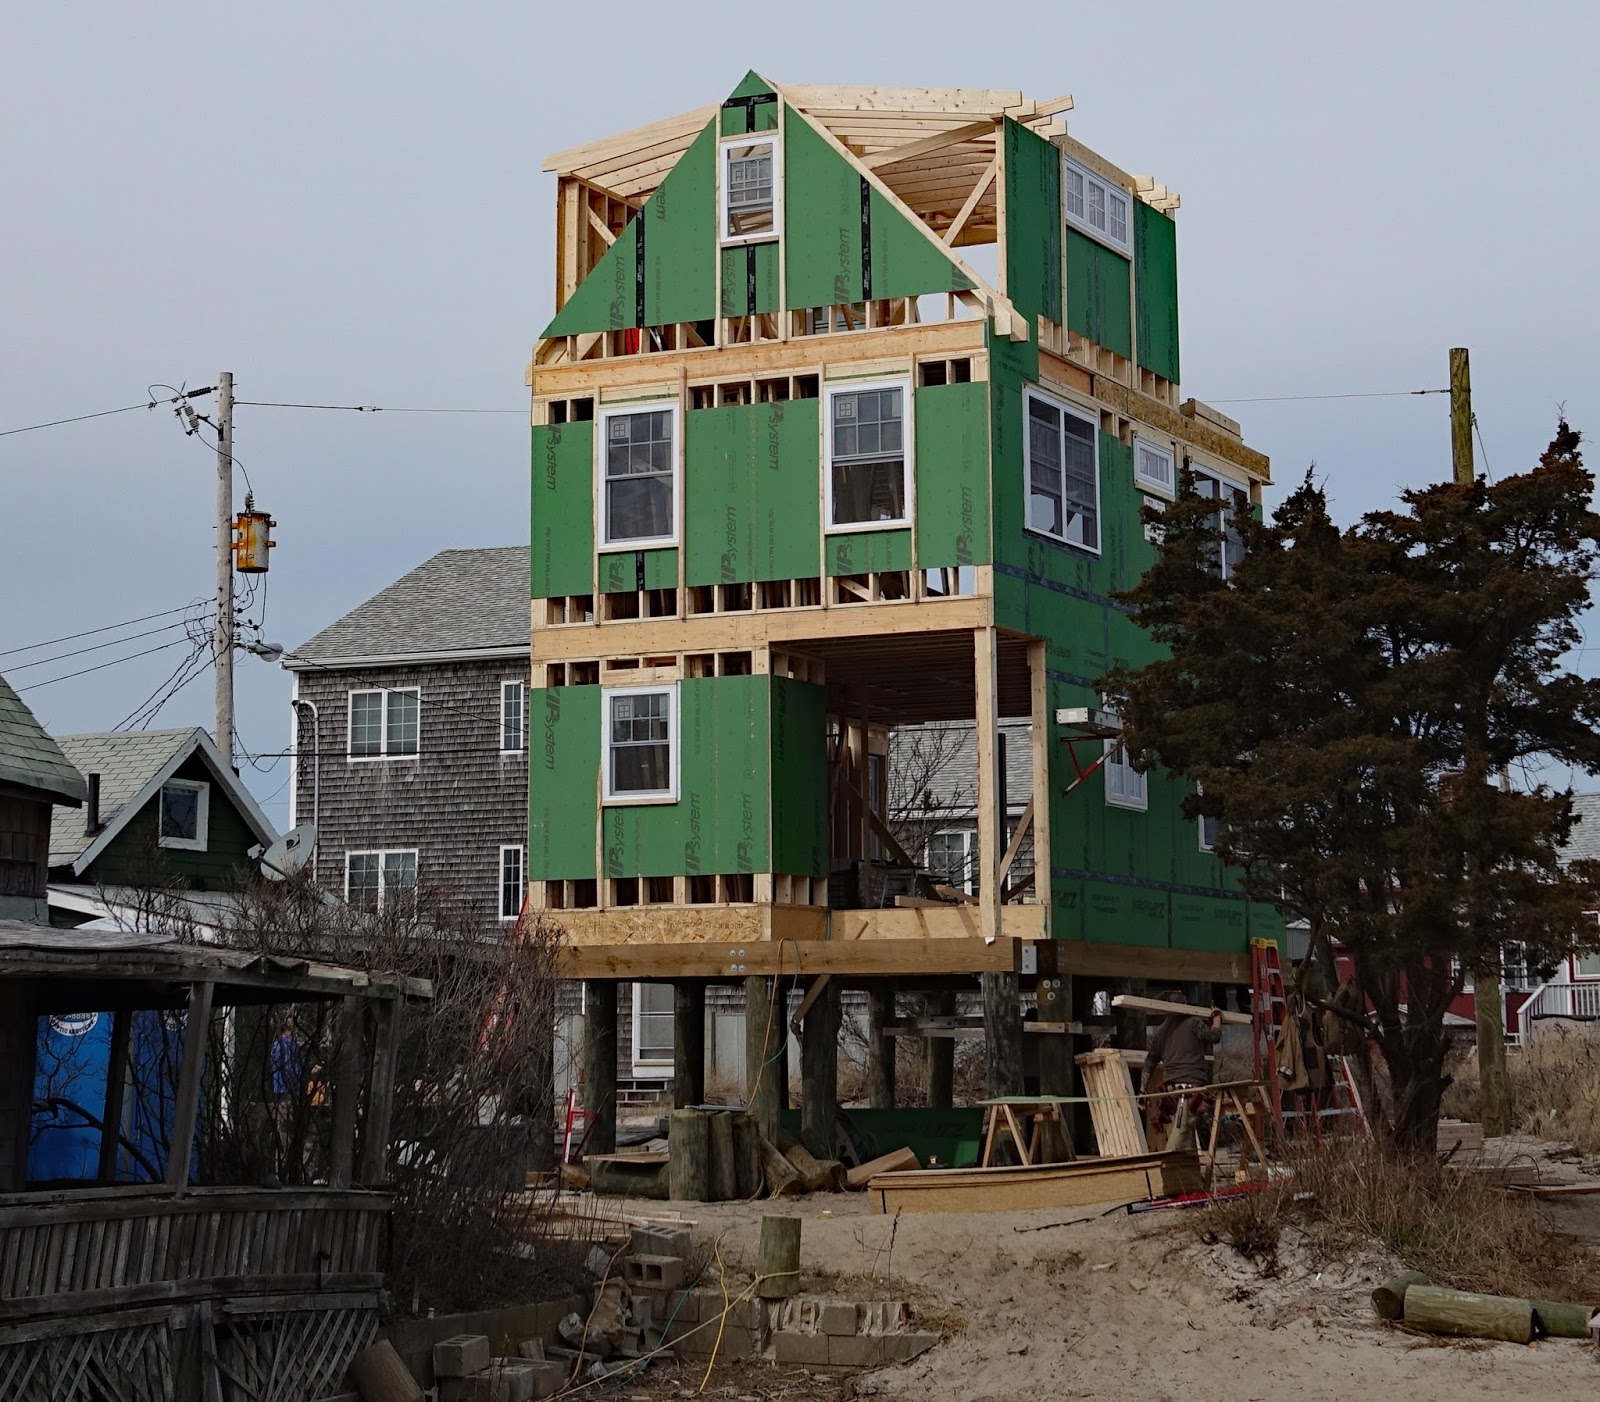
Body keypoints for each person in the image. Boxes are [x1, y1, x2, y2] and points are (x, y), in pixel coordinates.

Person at [1145, 990, 1224, 1150]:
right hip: (1190, 1087)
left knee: (1186, 1129)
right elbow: (1213, 1037)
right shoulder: (1193, 1022)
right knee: (1182, 1130)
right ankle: (1169, 1161)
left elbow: (1150, 1061)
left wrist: (1142, 1087)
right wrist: (1217, 1018)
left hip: (1172, 1090)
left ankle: (1189, 1164)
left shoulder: (1161, 1031)